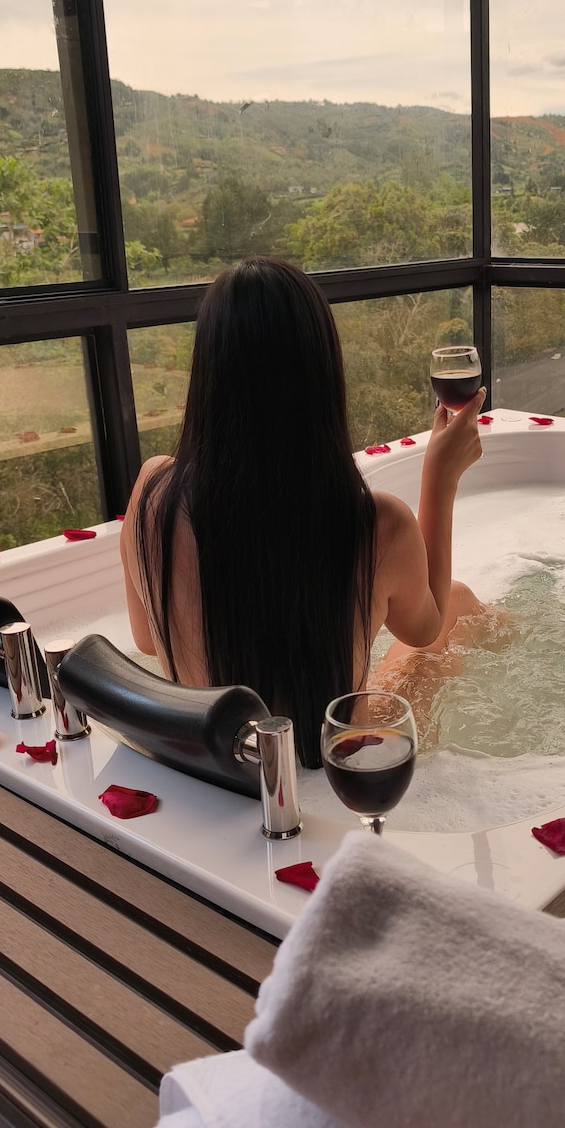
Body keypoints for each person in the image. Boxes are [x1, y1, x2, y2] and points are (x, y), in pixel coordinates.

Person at [121, 257, 486, 767]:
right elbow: (426, 630)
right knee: (461, 611)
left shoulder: (152, 493)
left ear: (207, 369)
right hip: (332, 771)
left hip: (213, 766)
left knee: (460, 598)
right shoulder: (374, 524)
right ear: (321, 374)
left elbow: (145, 637)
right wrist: (439, 479)